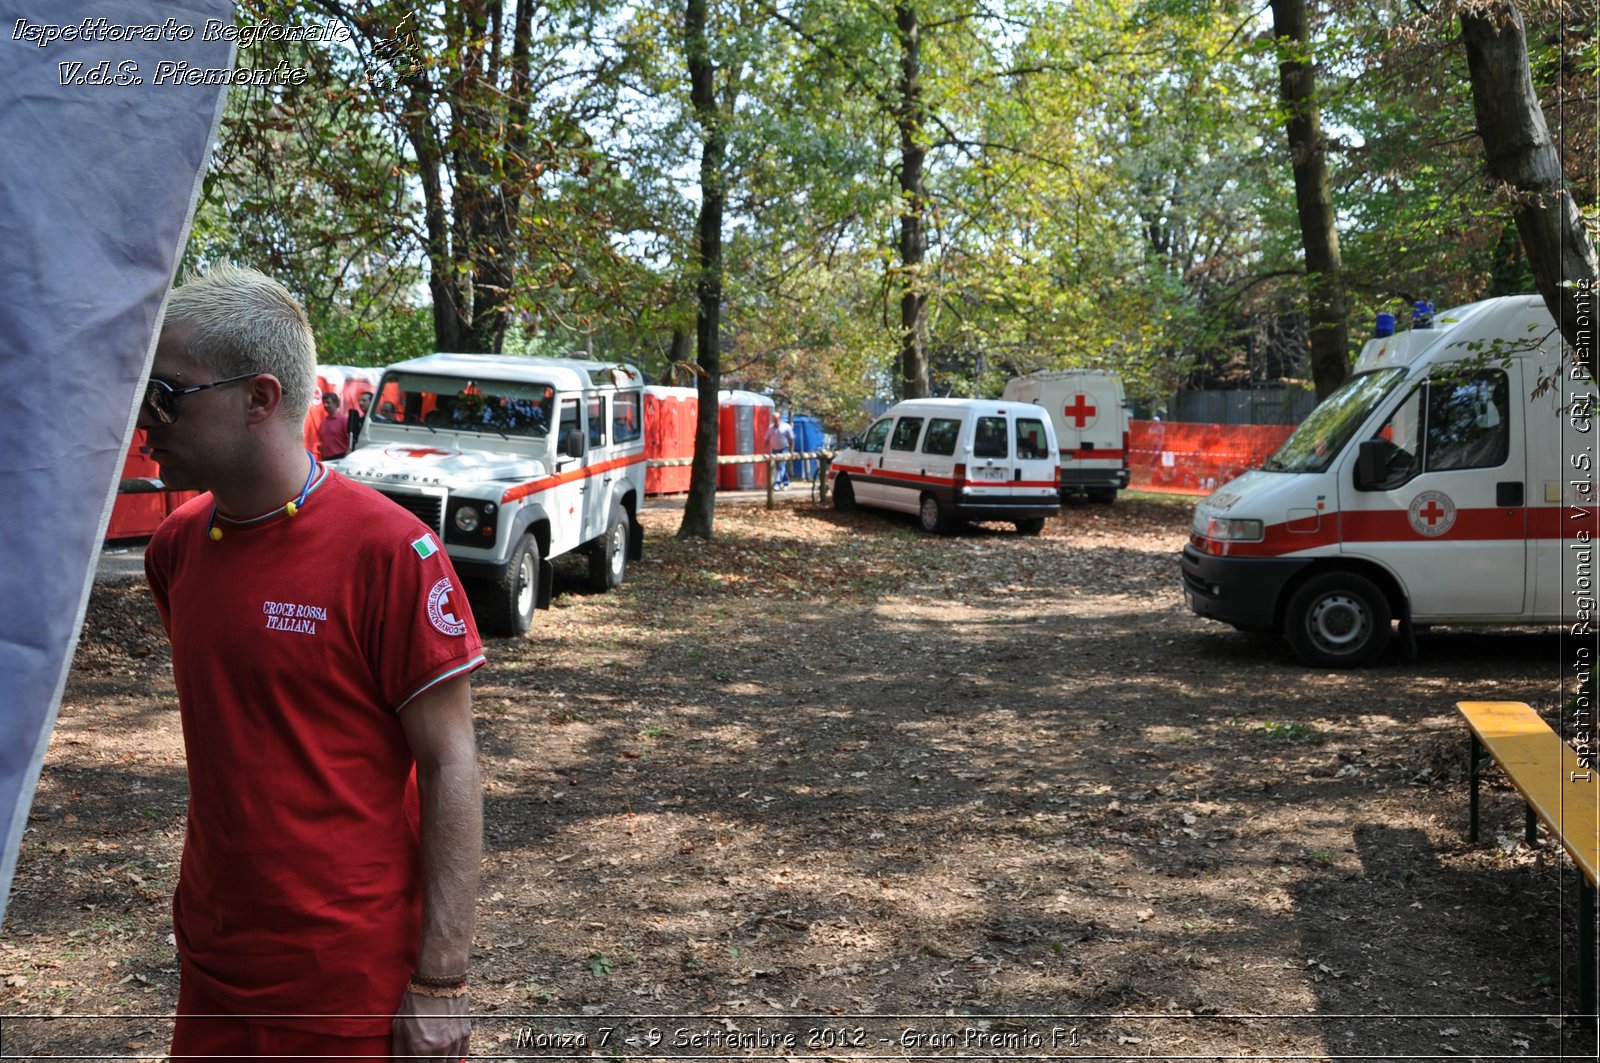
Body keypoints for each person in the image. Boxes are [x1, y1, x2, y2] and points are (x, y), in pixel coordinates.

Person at [136, 263, 485, 1062]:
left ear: (260, 398)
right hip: (216, 969)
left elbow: (450, 761)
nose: (145, 419)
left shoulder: (392, 553)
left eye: (168, 393)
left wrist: (440, 979)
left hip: (347, 986)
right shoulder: (174, 550)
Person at [317, 390, 349, 460]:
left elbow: (349, 440)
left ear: (336, 404)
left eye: (328, 402)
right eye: (324, 403)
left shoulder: (343, 420)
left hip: (340, 457)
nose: (325, 405)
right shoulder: (323, 422)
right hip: (326, 459)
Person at [767, 413, 794, 490]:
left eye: (776, 419)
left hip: (784, 448)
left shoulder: (786, 427)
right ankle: (786, 483)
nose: (774, 421)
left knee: (781, 467)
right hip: (774, 449)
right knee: (780, 467)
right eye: (773, 419)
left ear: (779, 419)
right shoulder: (771, 428)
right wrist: (764, 449)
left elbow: (792, 439)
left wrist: (791, 451)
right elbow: (766, 439)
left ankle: (777, 484)